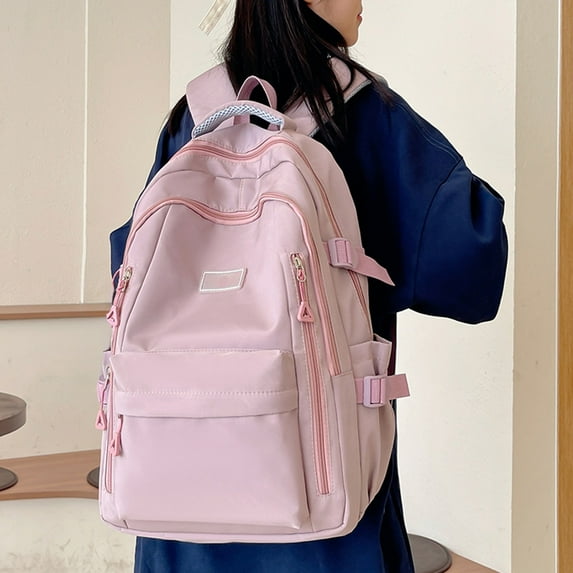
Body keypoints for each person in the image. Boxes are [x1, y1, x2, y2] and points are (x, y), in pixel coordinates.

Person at [110, 1, 508, 571]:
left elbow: (130, 272)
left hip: (175, 505)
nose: (364, 4)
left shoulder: (192, 117)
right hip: (321, 519)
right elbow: (470, 261)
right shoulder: (366, 114)